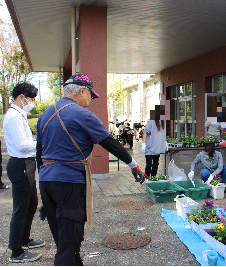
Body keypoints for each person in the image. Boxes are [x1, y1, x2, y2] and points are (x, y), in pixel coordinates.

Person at [36, 73, 147, 266]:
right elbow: (109, 142)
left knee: (64, 240)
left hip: (47, 181)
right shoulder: (81, 114)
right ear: (82, 91)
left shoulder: (46, 114)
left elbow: (39, 152)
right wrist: (133, 165)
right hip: (69, 182)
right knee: (68, 243)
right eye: (91, 96)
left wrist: (47, 196)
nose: (90, 101)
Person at [3, 83, 44, 263]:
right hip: (19, 164)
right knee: (20, 208)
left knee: (31, 203)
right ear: (22, 97)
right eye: (32, 99)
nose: (32, 102)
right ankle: (16, 251)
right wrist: (42, 144)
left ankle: (24, 239)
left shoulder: (20, 114)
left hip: (26, 164)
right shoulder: (13, 116)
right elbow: (22, 145)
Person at [141, 107, 167, 178]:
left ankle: (153, 178)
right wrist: (143, 144)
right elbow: (145, 132)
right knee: (149, 164)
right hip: (149, 147)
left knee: (156, 164)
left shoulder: (163, 121)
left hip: (157, 147)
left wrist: (165, 142)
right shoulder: (151, 120)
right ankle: (146, 179)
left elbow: (162, 134)